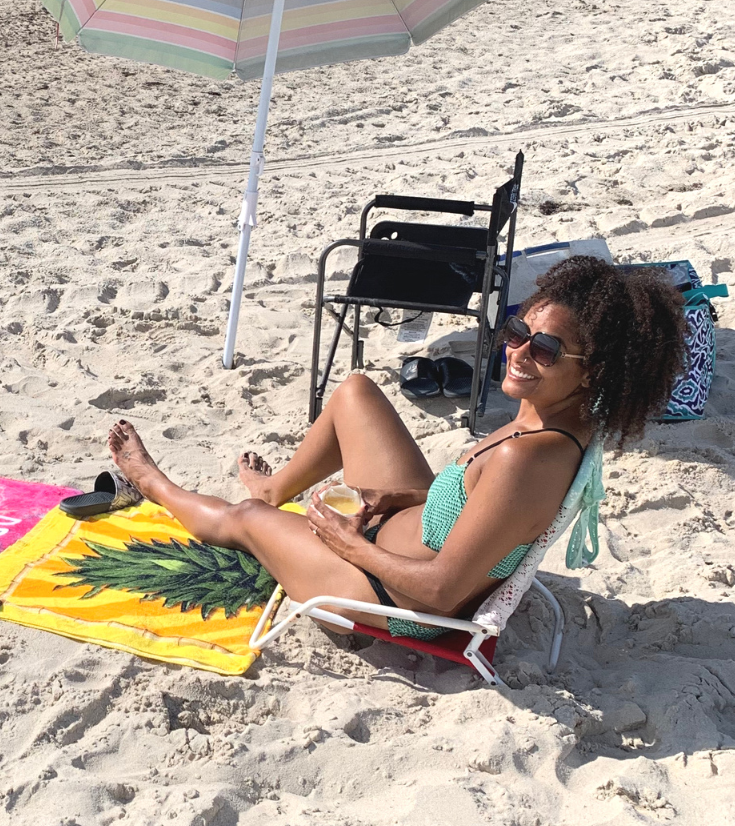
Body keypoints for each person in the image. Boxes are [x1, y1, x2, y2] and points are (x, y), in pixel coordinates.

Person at [105, 257, 687, 639]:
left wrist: (347, 542)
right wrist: (401, 496)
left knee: (246, 518)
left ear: (594, 371)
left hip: (397, 598)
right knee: (357, 392)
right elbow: (487, 511)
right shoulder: (557, 423)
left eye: (545, 349)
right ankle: (278, 485)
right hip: (408, 533)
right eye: (515, 332)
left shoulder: (528, 457)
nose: (517, 353)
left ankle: (150, 481)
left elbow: (441, 589)